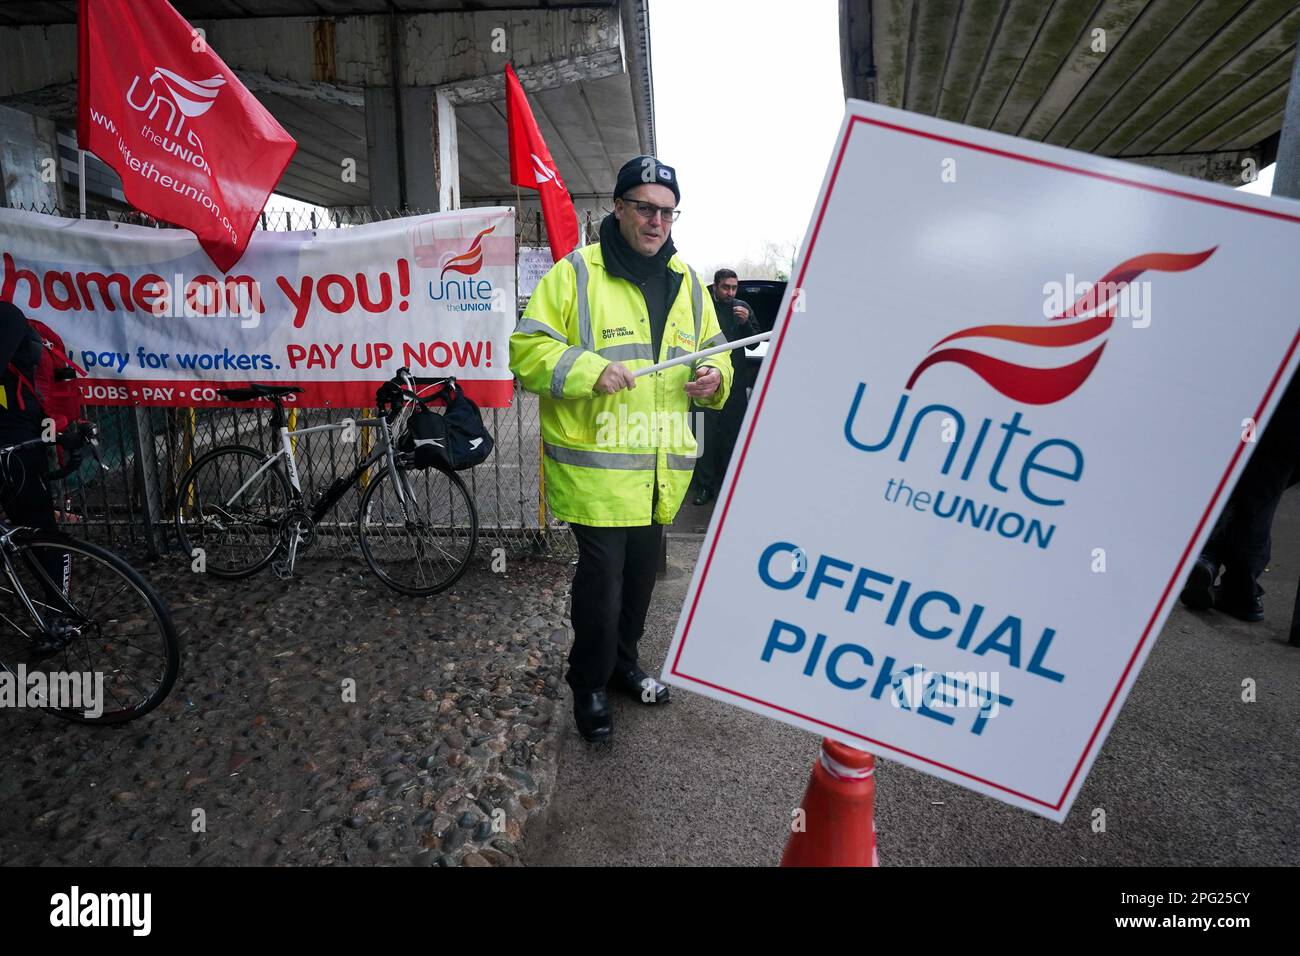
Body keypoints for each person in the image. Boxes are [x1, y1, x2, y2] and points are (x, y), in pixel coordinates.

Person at [510, 155, 732, 742]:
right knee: (602, 583)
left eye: (667, 211)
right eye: (645, 208)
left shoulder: (688, 283)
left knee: (640, 580)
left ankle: (623, 667)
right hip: (597, 472)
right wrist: (588, 369)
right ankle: (586, 683)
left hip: (659, 469)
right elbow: (526, 351)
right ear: (618, 207)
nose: (657, 221)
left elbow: (717, 354)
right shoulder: (576, 275)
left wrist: (714, 378)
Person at [1180, 373, 1300, 621]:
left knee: (1250, 488)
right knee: (1260, 492)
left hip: (1277, 400)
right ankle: (1234, 583)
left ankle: (1216, 561)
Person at [693, 269, 757, 506]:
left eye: (734, 288)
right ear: (715, 286)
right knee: (704, 437)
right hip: (707, 381)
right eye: (726, 287)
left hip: (736, 383)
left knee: (734, 437)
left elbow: (755, 344)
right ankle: (703, 488)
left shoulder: (742, 307)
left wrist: (746, 323)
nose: (730, 292)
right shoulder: (703, 306)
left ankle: (730, 490)